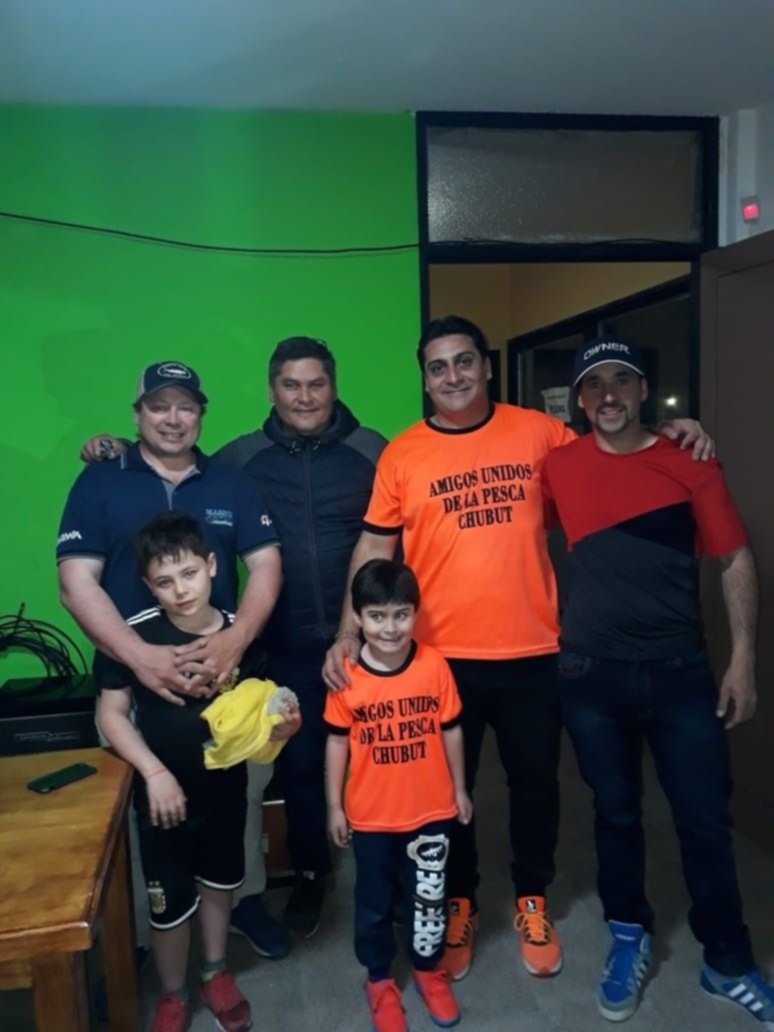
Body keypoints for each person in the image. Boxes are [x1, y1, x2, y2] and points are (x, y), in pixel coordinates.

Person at [323, 316, 715, 984]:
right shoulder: (404, 454)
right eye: (438, 367)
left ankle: (532, 896)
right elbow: (375, 544)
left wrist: (676, 433)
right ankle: (461, 900)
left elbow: (614, 451)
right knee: (447, 793)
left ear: (486, 366)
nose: (453, 376)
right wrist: (347, 633)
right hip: (439, 659)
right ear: (425, 379)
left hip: (534, 650)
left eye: (464, 361)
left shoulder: (540, 433)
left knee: (535, 784)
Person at [79, 339, 387, 943]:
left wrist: (254, 639)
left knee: (384, 757)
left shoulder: (369, 450)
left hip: (354, 639)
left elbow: (384, 530)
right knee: (291, 769)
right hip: (270, 647)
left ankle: (377, 880)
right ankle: (302, 877)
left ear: (333, 386)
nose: (304, 396)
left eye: (316, 384)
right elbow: (166, 459)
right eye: (290, 384)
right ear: (272, 390)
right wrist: (112, 447)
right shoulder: (239, 458)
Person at [541, 339, 774, 1027]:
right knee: (615, 814)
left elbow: (734, 558)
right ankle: (628, 937)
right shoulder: (557, 466)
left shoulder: (690, 460)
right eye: (594, 385)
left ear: (645, 391)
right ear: (579, 400)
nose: (608, 394)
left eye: (622, 380)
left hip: (679, 674)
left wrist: (743, 659)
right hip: (590, 675)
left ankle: (727, 960)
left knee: (704, 819)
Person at [59, 360, 285, 959]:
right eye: (159, 406)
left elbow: (266, 565)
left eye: (185, 406)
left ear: (200, 415)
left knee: (236, 802)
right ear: (137, 415)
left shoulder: (231, 483)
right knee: (146, 815)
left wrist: (237, 640)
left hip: (222, 681)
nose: (173, 418)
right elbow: (76, 582)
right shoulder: (101, 481)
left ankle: (238, 908)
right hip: (132, 685)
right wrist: (138, 657)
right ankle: (147, 934)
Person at [97, 513, 298, 1032]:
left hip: (225, 791)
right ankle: (173, 993)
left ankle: (214, 971)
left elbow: (258, 721)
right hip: (161, 800)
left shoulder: (241, 635)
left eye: (188, 573)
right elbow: (110, 715)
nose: (180, 590)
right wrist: (153, 773)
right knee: (167, 901)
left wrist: (279, 729)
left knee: (218, 884)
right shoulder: (135, 638)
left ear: (211, 565)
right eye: (164, 581)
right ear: (149, 587)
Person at [324, 559, 472, 1032]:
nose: (390, 628)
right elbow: (337, 743)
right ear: (358, 618)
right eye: (377, 616)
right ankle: (380, 981)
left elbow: (451, 730)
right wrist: (334, 806)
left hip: (431, 812)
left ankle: (429, 971)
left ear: (415, 614)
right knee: (373, 904)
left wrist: (460, 788)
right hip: (371, 819)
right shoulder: (347, 676)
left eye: (401, 615)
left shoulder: (434, 666)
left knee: (429, 901)